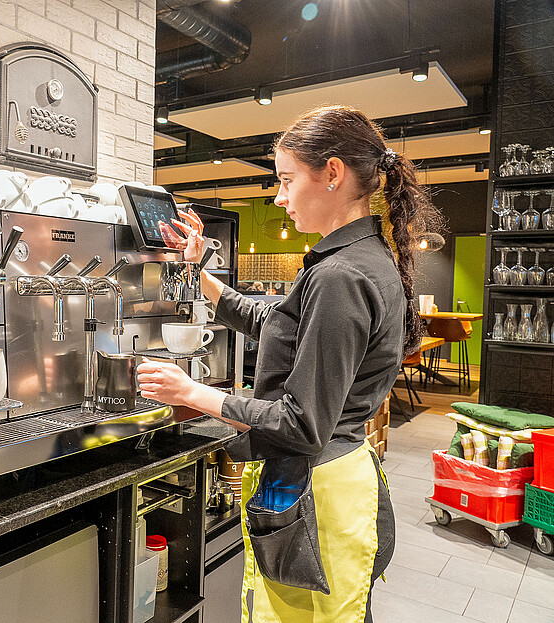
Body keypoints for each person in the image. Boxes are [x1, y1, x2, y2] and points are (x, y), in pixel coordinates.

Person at [139, 105, 442, 622]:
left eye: (285, 180)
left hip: (316, 497)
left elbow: (300, 424)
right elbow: (279, 322)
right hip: (336, 483)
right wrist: (203, 273)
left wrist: (191, 392)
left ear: (332, 173)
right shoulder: (360, 258)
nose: (278, 197)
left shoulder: (340, 275)